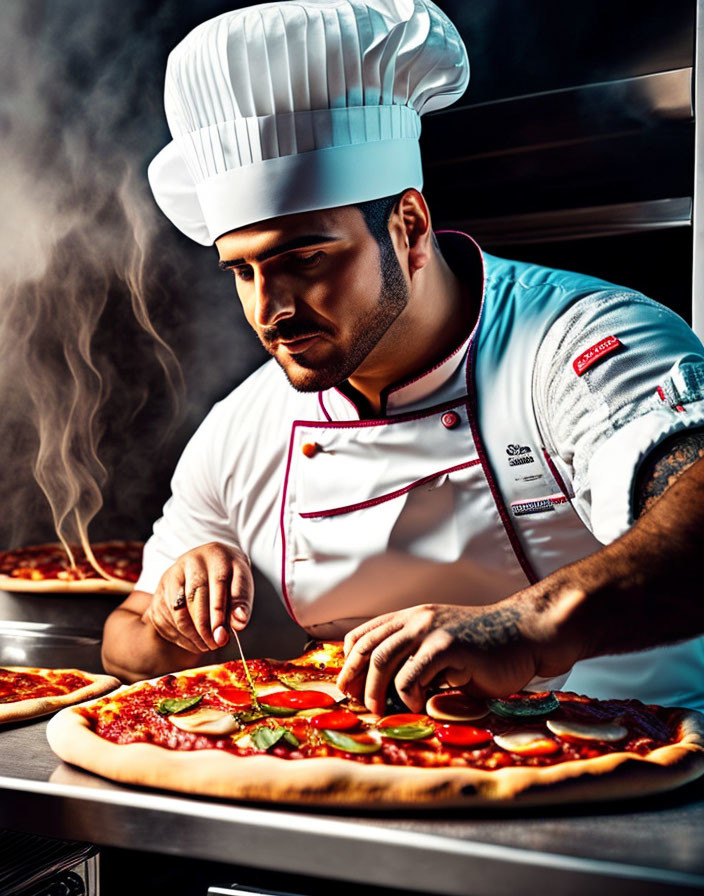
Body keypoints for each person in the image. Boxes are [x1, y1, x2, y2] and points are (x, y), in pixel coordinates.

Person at [103, 0, 704, 713]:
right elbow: (125, 638)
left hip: (639, 779)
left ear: (409, 228)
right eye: (241, 270)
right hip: (373, 786)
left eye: (306, 258)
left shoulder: (574, 343)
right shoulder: (247, 423)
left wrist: (526, 629)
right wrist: (173, 622)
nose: (271, 308)